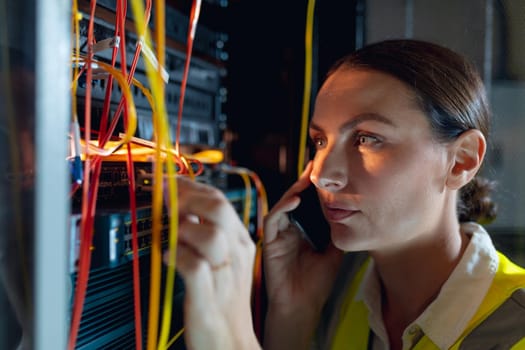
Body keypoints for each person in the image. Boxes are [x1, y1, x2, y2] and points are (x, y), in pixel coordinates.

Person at [168, 39, 525, 350]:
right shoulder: (344, 288)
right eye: (320, 141)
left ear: (461, 161)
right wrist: (296, 312)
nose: (322, 174)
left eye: (366, 138)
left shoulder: (515, 331)